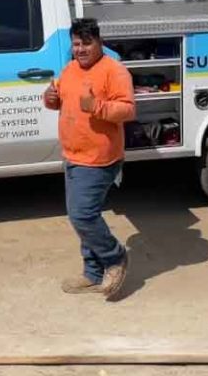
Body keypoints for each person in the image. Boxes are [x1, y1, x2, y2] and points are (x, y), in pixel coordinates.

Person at [43, 18, 135, 298]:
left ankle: (114, 257)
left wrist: (97, 106)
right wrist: (50, 98)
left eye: (86, 43)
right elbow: (58, 100)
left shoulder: (113, 71)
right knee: (81, 216)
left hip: (99, 158)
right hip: (73, 154)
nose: (80, 49)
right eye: (76, 44)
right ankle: (93, 274)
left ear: (99, 42)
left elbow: (128, 109)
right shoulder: (70, 69)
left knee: (83, 215)